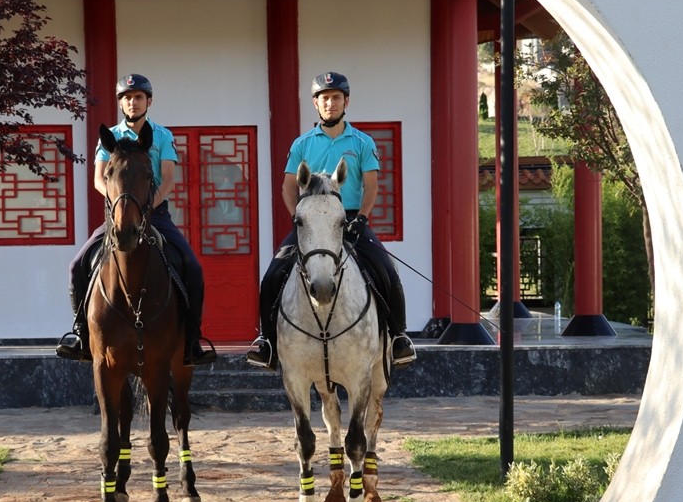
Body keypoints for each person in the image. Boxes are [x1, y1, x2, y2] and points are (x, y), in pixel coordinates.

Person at [246, 71, 416, 369]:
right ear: (316, 104)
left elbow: (372, 185)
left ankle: (399, 337)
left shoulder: (362, 142)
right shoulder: (302, 144)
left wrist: (362, 218)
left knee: (386, 269)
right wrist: (298, 219)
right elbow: (288, 186)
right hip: (311, 220)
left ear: (346, 101)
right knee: (273, 274)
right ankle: (267, 341)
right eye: (324, 98)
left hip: (349, 218)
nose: (330, 103)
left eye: (336, 97)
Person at [57, 73, 216, 365]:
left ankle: (192, 340)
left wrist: (146, 209)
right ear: (121, 103)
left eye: (138, 97)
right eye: (127, 98)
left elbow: (168, 180)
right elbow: (98, 179)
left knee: (192, 267)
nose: (133, 102)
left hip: (157, 215)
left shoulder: (163, 136)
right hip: (119, 216)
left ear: (149, 101)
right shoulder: (110, 137)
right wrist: (120, 207)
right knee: (76, 265)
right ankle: (80, 335)